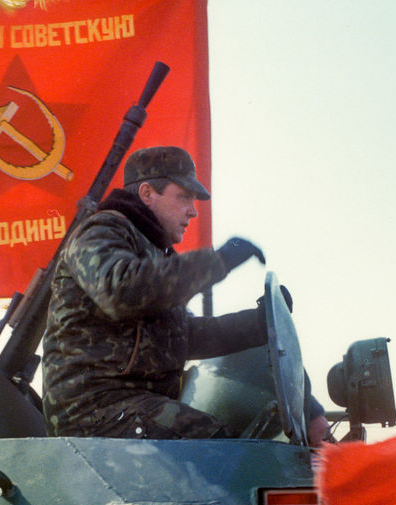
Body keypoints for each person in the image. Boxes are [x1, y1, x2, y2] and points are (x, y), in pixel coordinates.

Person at [41, 145, 327, 444]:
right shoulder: (102, 230)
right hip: (93, 409)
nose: (193, 210)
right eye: (184, 197)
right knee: (223, 450)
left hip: (132, 406)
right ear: (147, 193)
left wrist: (258, 323)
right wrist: (218, 261)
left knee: (238, 443)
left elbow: (182, 336)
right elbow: (119, 291)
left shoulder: (153, 252)